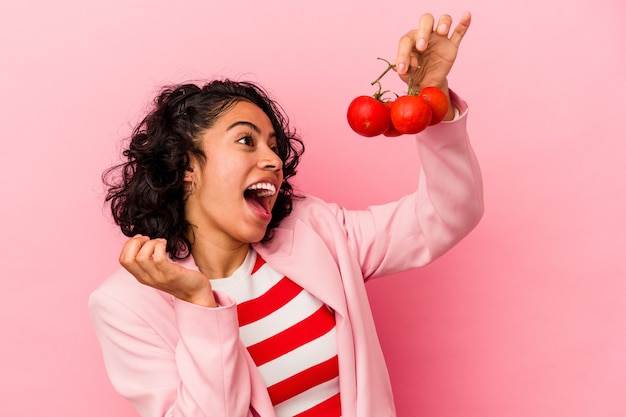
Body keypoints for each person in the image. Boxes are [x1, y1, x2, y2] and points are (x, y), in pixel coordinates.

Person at [89, 11, 484, 417]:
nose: (273, 161)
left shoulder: (318, 231)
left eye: (274, 146)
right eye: (246, 140)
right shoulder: (126, 306)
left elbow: (445, 215)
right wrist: (198, 305)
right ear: (186, 166)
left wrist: (432, 100)